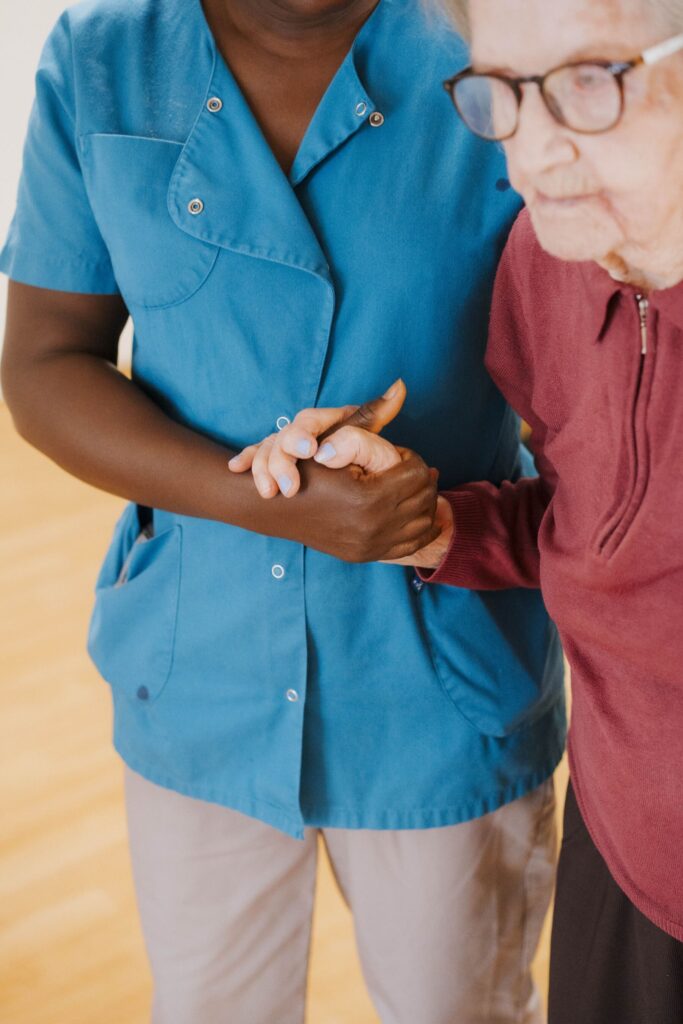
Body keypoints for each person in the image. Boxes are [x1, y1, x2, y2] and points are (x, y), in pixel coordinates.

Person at [0, 0, 566, 1021]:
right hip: (198, 667)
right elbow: (44, 362)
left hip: (441, 684)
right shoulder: (103, 58)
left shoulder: (494, 49)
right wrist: (265, 503)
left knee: (463, 1006)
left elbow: (591, 363)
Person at [247, 0, 683, 1019]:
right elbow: (588, 520)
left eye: (588, 82)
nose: (528, 156)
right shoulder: (544, 265)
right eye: (502, 95)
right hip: (622, 848)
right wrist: (434, 523)